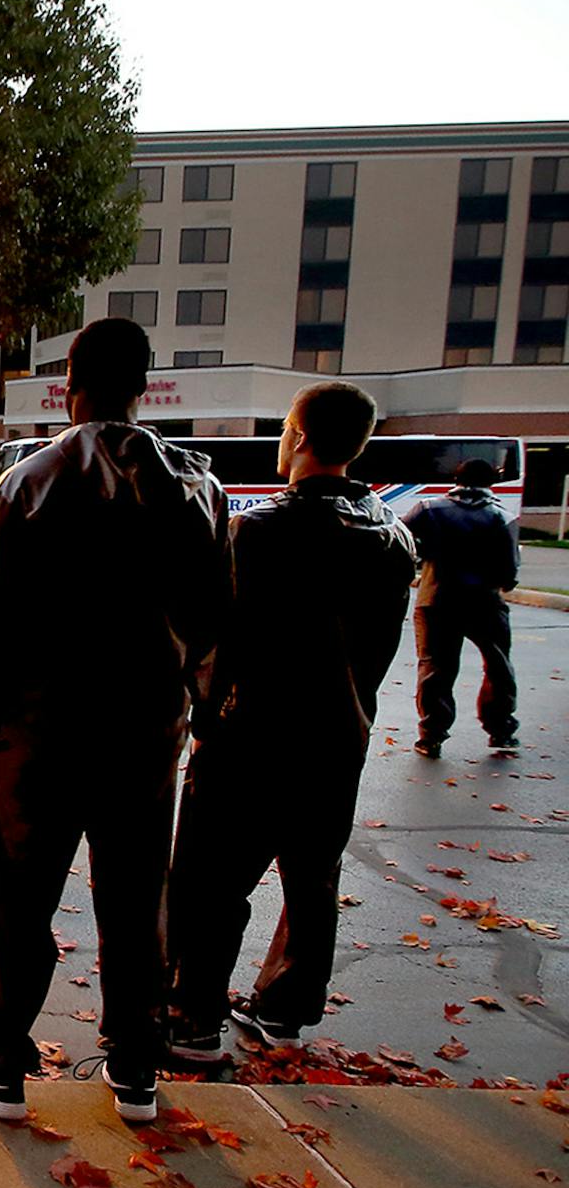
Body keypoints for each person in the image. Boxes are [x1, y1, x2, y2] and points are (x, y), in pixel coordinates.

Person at [0, 318, 227, 1126]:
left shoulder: (28, 480)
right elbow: (214, 620)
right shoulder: (198, 488)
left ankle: (2, 1064)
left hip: (35, 732)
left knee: (16, 897)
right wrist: (185, 703)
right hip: (143, 731)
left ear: (69, 382)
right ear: (146, 384)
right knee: (138, 898)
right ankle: (136, 1068)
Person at [165, 383, 417, 1059]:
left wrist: (203, 713)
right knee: (312, 877)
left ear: (300, 436)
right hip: (341, 734)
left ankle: (192, 1016)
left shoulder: (260, 530)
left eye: (284, 428)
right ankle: (284, 1008)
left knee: (211, 881)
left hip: (252, 733)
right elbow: (381, 647)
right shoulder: (393, 539)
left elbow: (217, 636)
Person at [403, 458, 521, 757]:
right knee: (497, 665)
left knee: (435, 667)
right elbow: (509, 571)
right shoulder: (500, 515)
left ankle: (431, 735)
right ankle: (500, 730)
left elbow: (399, 543)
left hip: (437, 598)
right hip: (484, 601)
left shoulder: (427, 510)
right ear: (491, 482)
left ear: (454, 479)